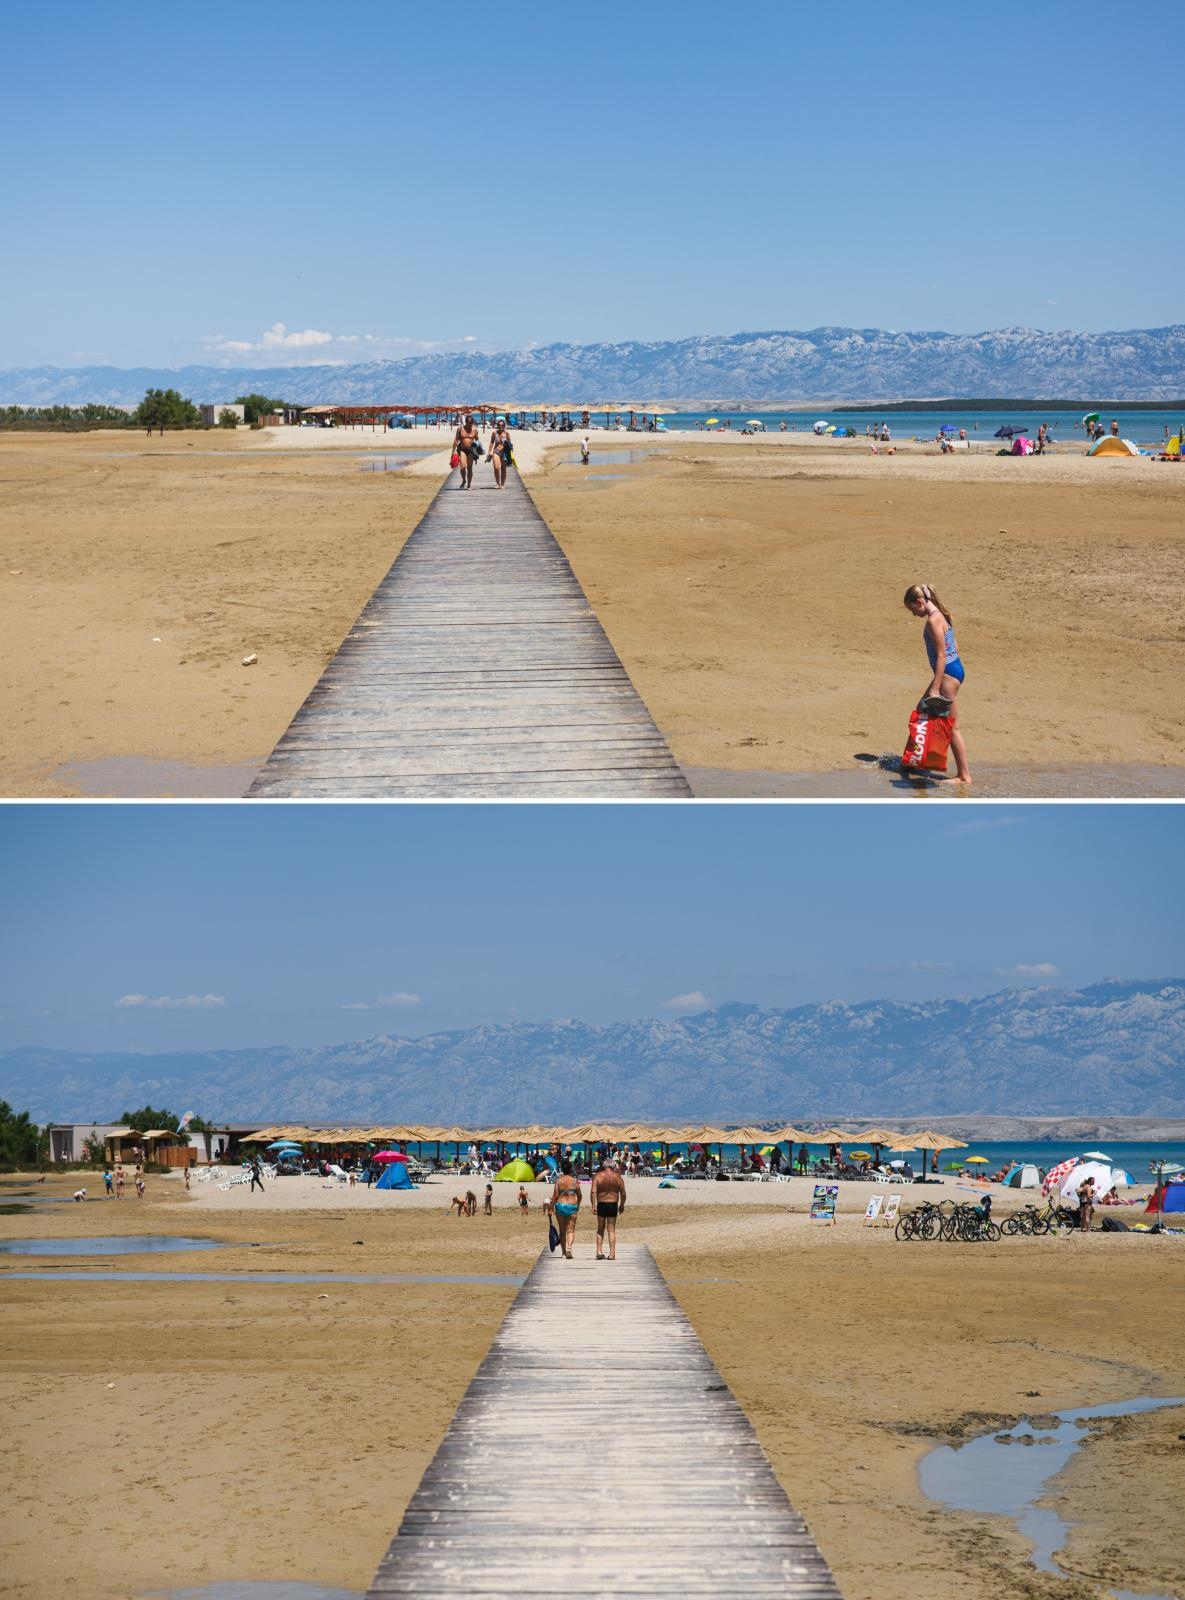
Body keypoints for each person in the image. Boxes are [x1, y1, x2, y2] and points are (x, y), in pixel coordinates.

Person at [902, 583, 972, 784]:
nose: (914, 614)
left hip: (947, 674)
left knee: (952, 727)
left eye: (913, 609)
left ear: (920, 602)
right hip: (954, 669)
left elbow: (941, 655)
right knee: (921, 711)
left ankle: (964, 776)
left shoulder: (933, 620)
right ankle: (913, 761)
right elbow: (954, 645)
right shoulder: (942, 615)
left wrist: (935, 686)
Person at [590, 1158, 626, 1261]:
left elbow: (593, 1191)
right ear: (613, 1166)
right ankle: (612, 1254)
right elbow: (623, 1193)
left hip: (601, 1203)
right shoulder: (618, 1177)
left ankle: (599, 1251)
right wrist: (622, 1205)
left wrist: (593, 1205)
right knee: (611, 1229)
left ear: (604, 1165)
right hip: (613, 1204)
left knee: (600, 1229)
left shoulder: (598, 1176)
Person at [551, 1168, 582, 1258]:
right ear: (571, 1170)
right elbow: (579, 1195)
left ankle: (564, 1253)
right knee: (570, 1230)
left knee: (562, 1230)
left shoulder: (558, 1181)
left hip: (560, 1205)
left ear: (562, 1170)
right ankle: (569, 1248)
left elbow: (555, 1196)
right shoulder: (574, 1181)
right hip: (572, 1206)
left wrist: (551, 1208)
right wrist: (578, 1204)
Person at [453, 414, 479, 489]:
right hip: (462, 450)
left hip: (471, 450)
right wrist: (453, 451)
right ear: (465, 422)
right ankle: (464, 480)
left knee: (470, 468)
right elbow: (456, 440)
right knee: (462, 467)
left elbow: (477, 441)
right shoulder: (460, 429)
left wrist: (476, 453)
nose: (469, 423)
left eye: (471, 422)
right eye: (468, 422)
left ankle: (469, 484)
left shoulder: (475, 430)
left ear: (472, 422)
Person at [489, 420, 513, 487]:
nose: (501, 426)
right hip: (496, 452)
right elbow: (491, 443)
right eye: (499, 425)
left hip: (504, 452)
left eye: (502, 425)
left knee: (503, 469)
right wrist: (489, 452)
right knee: (496, 468)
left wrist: (510, 454)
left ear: (504, 426)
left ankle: (502, 484)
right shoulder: (494, 433)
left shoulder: (506, 433)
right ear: (497, 425)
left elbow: (510, 443)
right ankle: (497, 483)